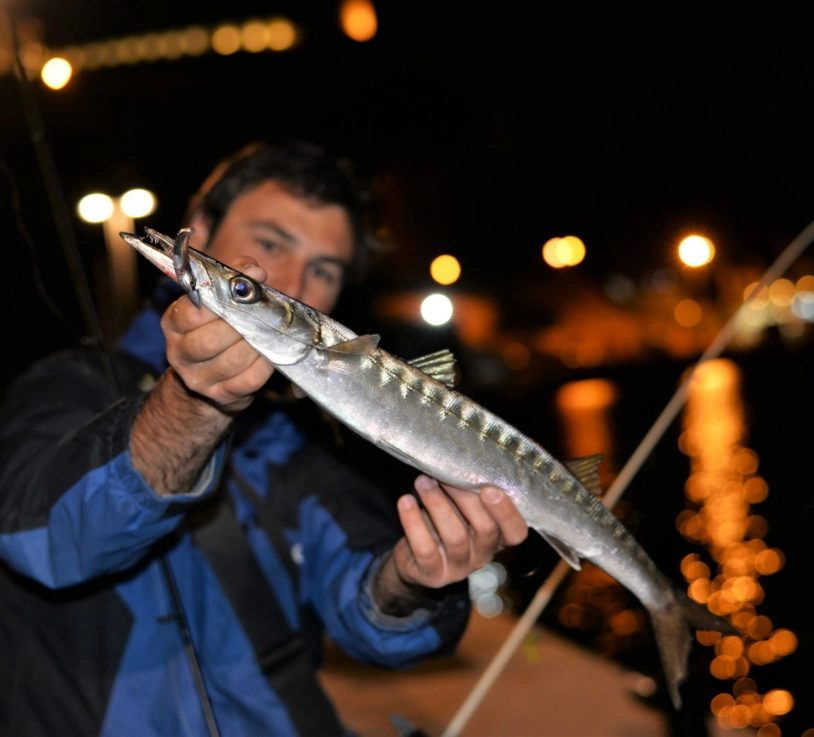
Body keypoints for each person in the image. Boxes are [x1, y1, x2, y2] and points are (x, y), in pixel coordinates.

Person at [0, 139, 528, 737]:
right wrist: (192, 404)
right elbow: (38, 541)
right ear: (194, 235)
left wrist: (411, 578)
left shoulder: (313, 437)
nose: (296, 283)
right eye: (271, 244)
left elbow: (375, 619)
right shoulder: (66, 385)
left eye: (325, 270)